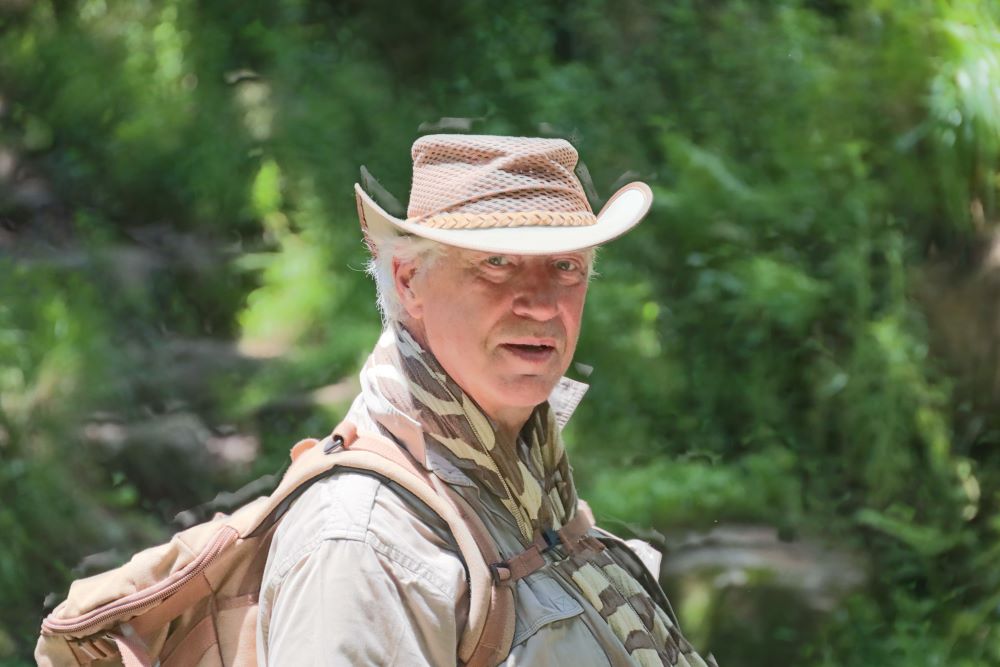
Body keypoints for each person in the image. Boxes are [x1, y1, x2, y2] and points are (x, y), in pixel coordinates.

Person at [256, 134, 717, 666]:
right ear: (409, 281)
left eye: (565, 266)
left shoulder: (534, 488)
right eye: (497, 262)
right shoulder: (363, 543)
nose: (541, 305)